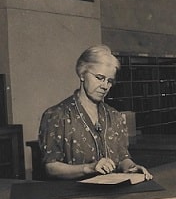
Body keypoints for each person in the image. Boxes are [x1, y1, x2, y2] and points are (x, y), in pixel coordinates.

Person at [39, 44, 152, 180]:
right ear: (82, 74)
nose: (105, 86)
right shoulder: (57, 115)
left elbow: (123, 158)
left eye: (109, 81)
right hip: (74, 197)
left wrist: (132, 168)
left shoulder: (115, 116)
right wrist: (89, 168)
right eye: (99, 78)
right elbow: (51, 167)